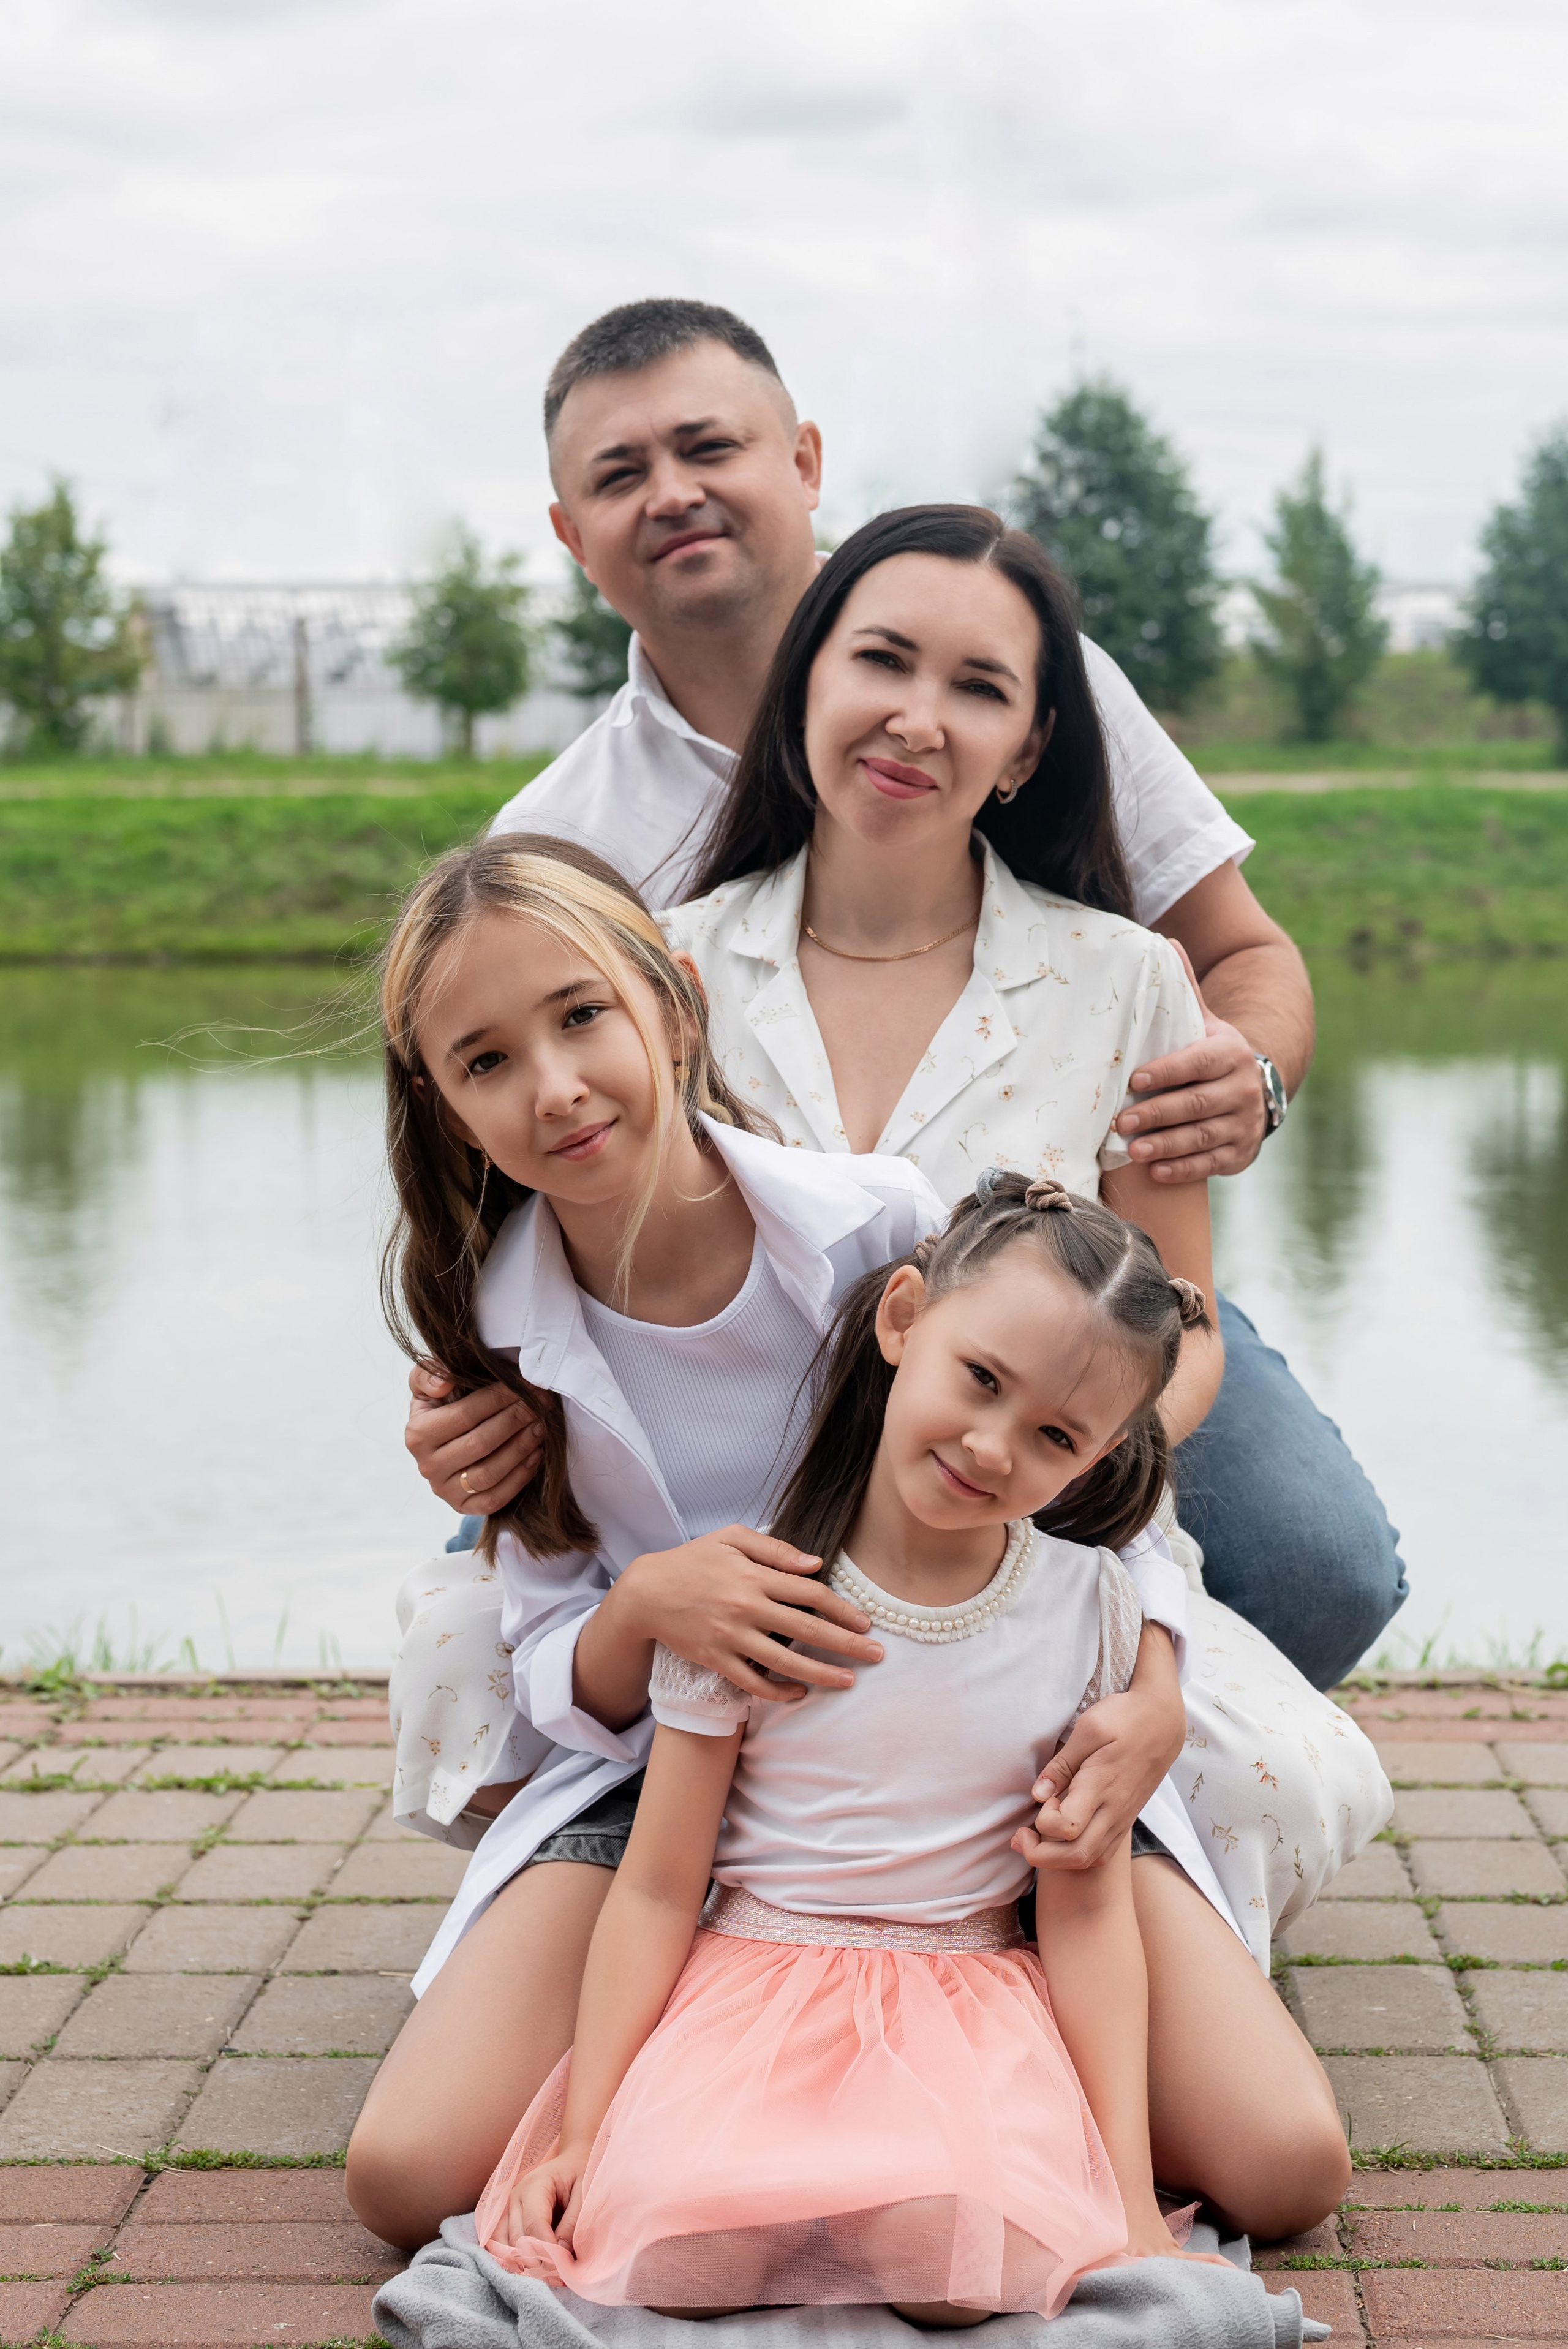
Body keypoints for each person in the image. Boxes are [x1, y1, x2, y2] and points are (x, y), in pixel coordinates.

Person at [347, 831, 1348, 2255]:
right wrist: (646, 1603)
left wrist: (1156, 1684)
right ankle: (736, 2050)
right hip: (680, 1791)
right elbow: (553, 1667)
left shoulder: (870, 1228)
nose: (556, 1086)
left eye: (583, 1016)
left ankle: (967, 2068)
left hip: (988, 1761)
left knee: (1284, 2163)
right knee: (406, 2172)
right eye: (484, 1060)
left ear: (675, 1007)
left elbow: (1070, 1489)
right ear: (442, 1104)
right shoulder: (496, 1344)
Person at [416, 295, 1404, 1688]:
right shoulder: (563, 849)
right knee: (524, 1647)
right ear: (571, 536)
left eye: (710, 446)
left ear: (804, 460)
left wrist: (1241, 1081)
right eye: (619, 475)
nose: (675, 494)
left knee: (1314, 1565)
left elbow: (1242, 956)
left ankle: (1059, 1735)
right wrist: (469, 1390)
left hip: (1066, 1276)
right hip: (720, 1349)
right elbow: (503, 1160)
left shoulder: (1023, 667)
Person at [475, 1178, 1340, 2321]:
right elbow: (658, 1887)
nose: (990, 1447)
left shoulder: (1092, 1616)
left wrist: (1128, 2195)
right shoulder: (753, 1596)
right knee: (685, 2254)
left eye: (1054, 1437)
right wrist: (587, 2131)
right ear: (902, 1320)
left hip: (965, 2002)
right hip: (755, 2001)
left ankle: (948, 2205)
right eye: (981, 1380)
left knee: (948, 2258)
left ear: (1096, 1460)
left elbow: (1083, 1914)